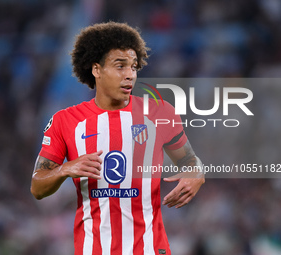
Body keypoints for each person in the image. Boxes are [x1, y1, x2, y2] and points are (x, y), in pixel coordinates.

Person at [31, 21, 205, 255]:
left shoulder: (160, 113)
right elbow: (38, 187)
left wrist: (196, 174)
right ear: (96, 70)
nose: (129, 75)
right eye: (120, 66)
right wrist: (66, 169)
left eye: (133, 67)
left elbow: (190, 161)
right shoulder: (66, 121)